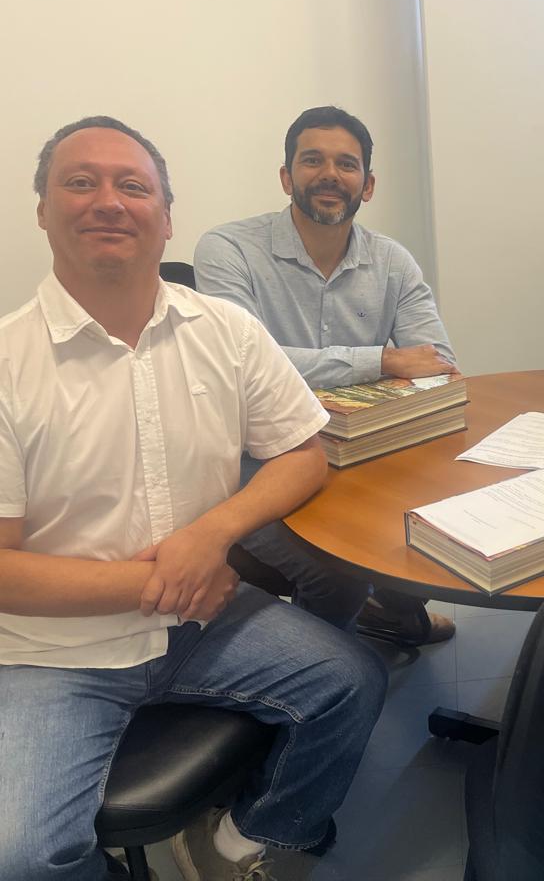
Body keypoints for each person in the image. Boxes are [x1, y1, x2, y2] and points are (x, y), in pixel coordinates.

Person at [0, 116, 388, 881]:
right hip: (55, 654)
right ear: (42, 208)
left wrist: (211, 536)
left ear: (166, 217)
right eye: (80, 182)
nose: (109, 201)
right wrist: (162, 580)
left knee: (354, 680)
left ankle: (245, 835)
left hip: (205, 620)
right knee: (22, 856)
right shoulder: (9, 363)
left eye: (133, 185)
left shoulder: (226, 330)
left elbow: (302, 455)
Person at [195, 105, 455, 639]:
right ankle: (323, 664)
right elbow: (242, 365)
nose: (330, 174)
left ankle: (391, 614)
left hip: (361, 456)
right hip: (255, 465)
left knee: (438, 528)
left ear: (368, 185)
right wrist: (381, 359)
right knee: (337, 576)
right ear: (286, 176)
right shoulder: (228, 250)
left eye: (347, 164)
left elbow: (437, 365)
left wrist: (387, 367)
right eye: (313, 160)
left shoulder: (393, 262)